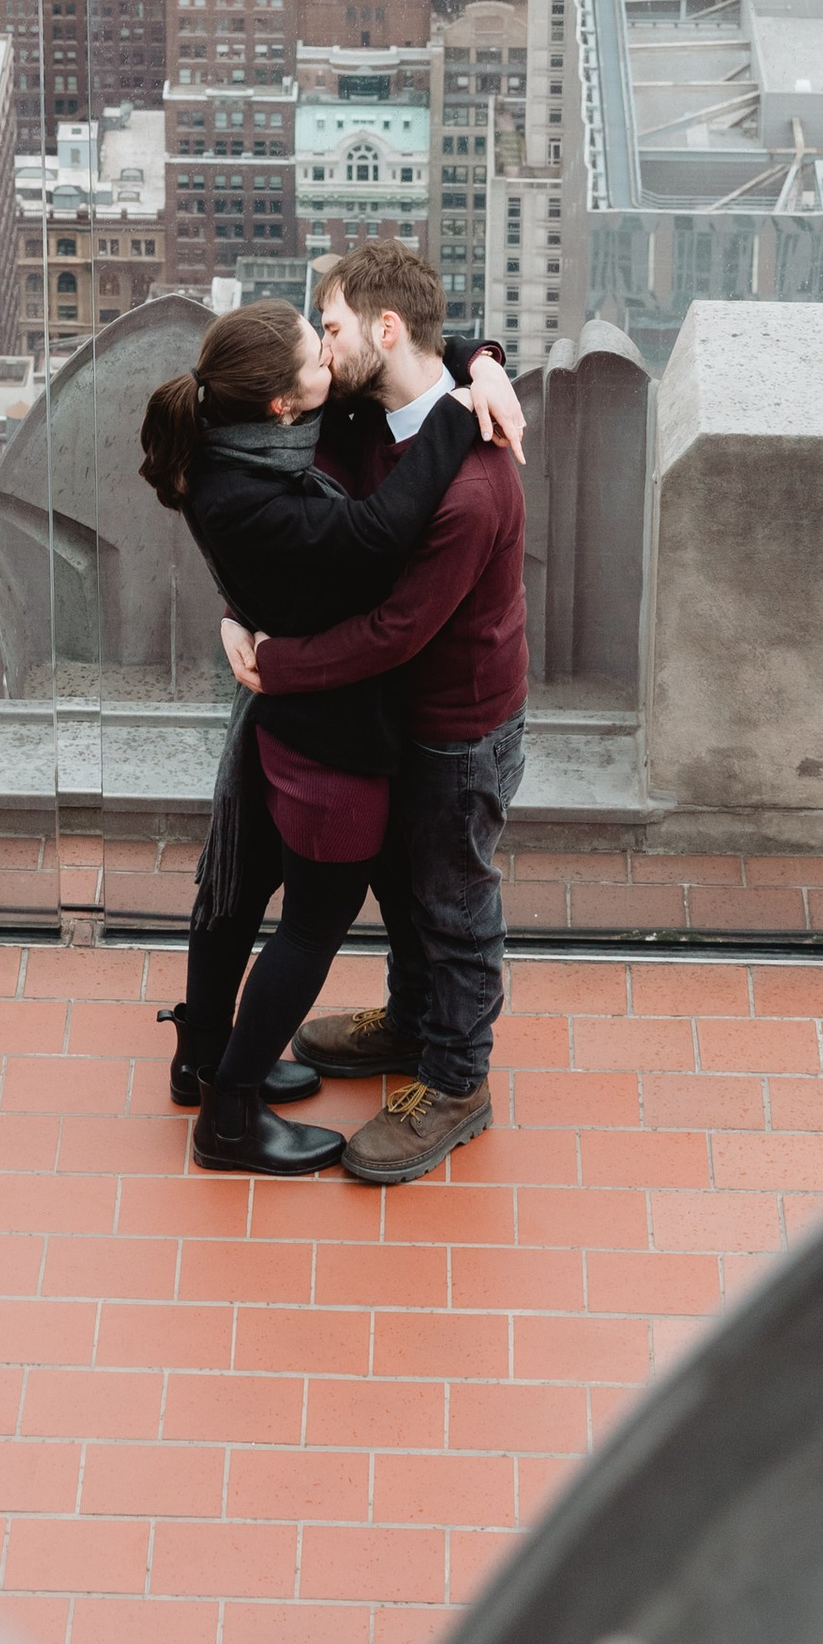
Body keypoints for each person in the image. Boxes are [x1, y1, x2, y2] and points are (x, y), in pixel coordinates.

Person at [139, 298, 525, 1178]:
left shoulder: (243, 438)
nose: (331, 354)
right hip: (330, 738)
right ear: (281, 401)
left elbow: (421, 338)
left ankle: (202, 1062)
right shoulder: (252, 488)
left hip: (297, 723)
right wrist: (463, 414)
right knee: (311, 929)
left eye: (331, 329)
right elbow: (372, 535)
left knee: (241, 894)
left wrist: (482, 362)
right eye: (318, 348)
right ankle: (229, 1114)